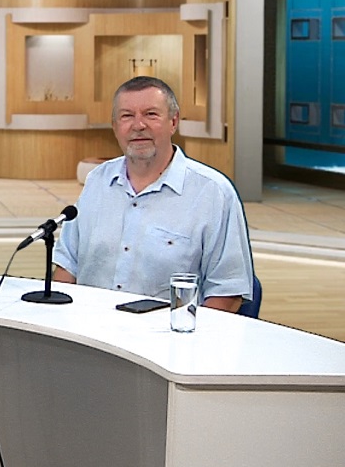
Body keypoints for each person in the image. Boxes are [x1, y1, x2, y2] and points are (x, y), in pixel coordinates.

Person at [52, 76, 253, 313]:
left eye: (151, 114)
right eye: (127, 116)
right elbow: (67, 267)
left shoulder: (213, 193)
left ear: (173, 122)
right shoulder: (97, 181)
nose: (138, 125)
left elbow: (227, 293)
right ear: (115, 126)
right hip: (90, 328)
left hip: (168, 334)